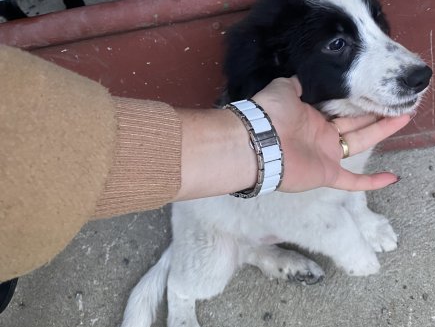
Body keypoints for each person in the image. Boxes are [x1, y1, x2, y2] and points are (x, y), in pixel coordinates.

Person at [0, 45, 410, 301]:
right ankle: (183, 301)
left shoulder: (316, 126)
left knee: (339, 173)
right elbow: (299, 218)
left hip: (233, 174)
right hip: (221, 221)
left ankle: (258, 254)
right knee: (203, 284)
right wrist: (354, 253)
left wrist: (247, 143)